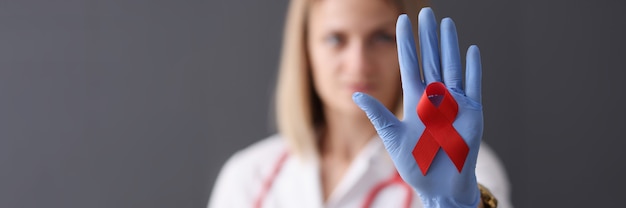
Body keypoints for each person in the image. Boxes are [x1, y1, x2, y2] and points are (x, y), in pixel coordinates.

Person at [209, 0, 513, 207]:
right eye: (335, 39)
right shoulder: (250, 176)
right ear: (305, 49)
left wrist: (460, 205)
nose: (359, 65)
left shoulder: (460, 164)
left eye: (381, 37)